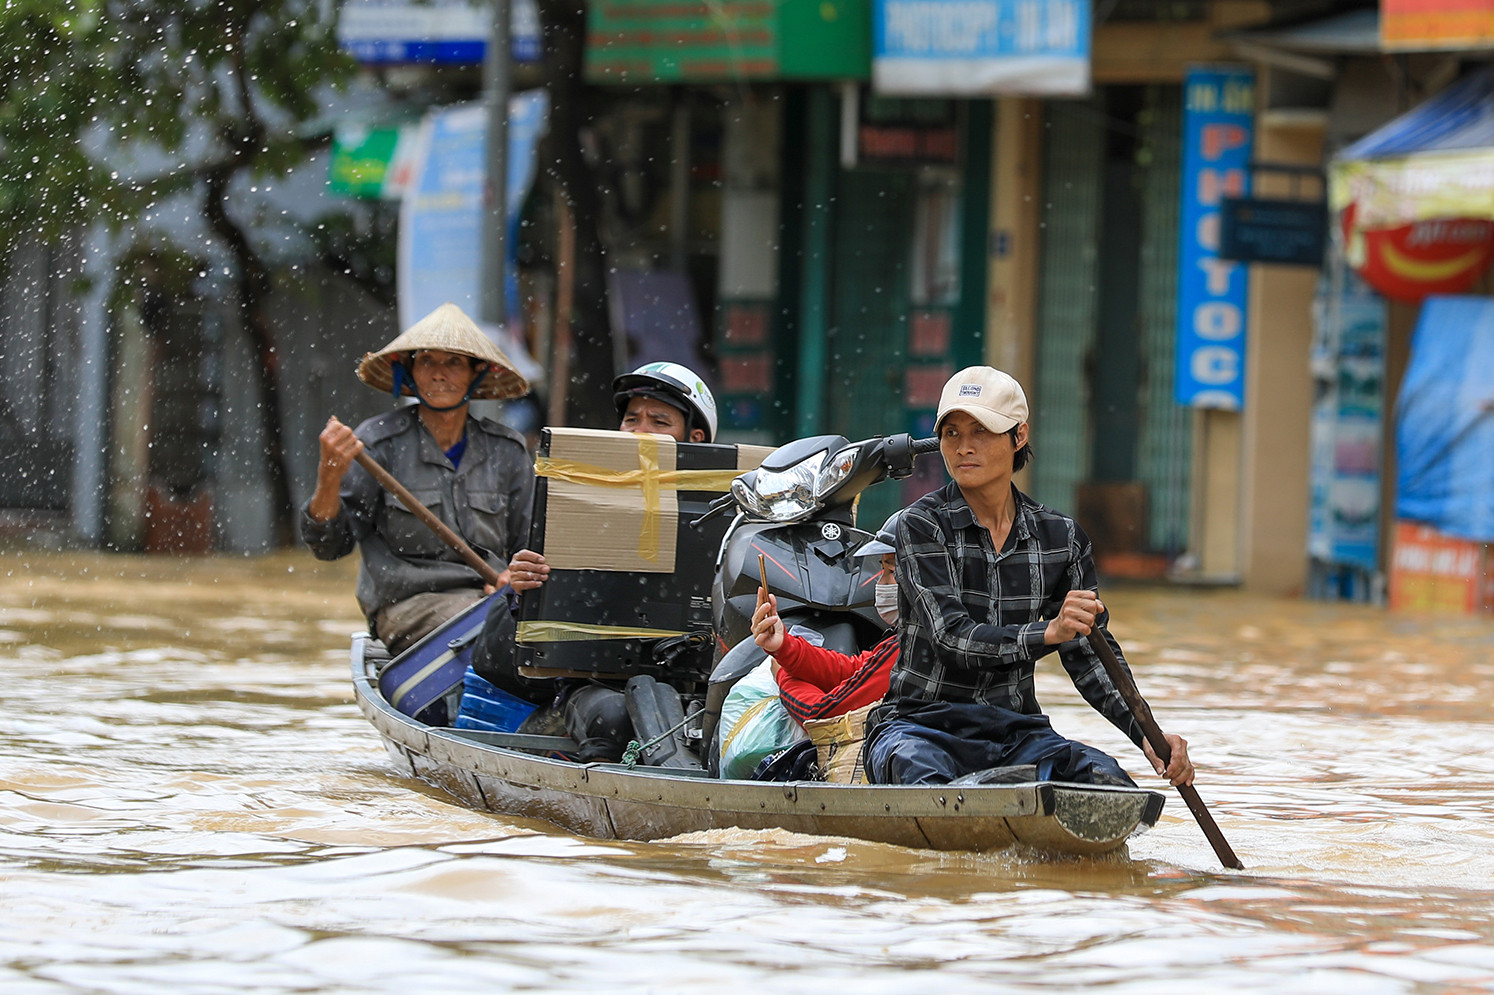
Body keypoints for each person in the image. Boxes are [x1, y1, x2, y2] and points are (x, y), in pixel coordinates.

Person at [863, 366, 1195, 788]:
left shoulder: (1062, 538)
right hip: (922, 727)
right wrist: (1048, 632)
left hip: (1018, 733)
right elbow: (953, 639)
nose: (964, 448)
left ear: (1018, 437)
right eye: (952, 434)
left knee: (1108, 782)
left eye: (980, 432)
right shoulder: (921, 526)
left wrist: (1148, 735)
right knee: (922, 776)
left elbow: (1091, 654)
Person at [469, 361, 719, 761]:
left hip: (700, 688)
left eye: (659, 421)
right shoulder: (575, 505)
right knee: (613, 718)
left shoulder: (734, 519)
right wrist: (521, 593)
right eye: (632, 419)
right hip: (594, 689)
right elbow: (495, 659)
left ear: (695, 437)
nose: (640, 431)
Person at [300, 303, 534, 655]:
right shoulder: (378, 444)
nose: (439, 374)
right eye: (427, 360)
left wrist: (513, 579)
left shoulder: (508, 451)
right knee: (486, 627)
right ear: (410, 372)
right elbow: (330, 547)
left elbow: (530, 547)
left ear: (477, 372)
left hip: (494, 602)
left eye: (453, 362)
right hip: (407, 606)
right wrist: (328, 478)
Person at [748, 511, 905, 724]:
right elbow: (857, 671)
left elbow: (825, 716)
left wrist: (782, 676)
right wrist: (785, 648)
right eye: (882, 570)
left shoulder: (911, 647)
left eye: (891, 572)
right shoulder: (911, 635)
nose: (881, 582)